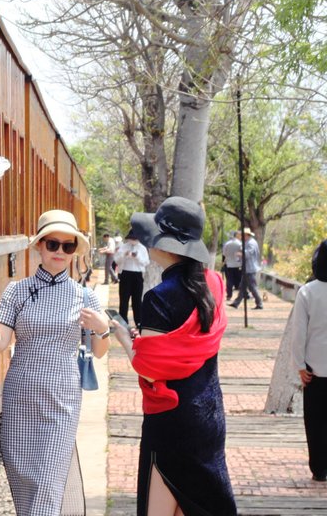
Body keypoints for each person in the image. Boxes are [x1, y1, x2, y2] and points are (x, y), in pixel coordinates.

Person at [0, 209, 110, 516]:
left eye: (68, 245)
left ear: (75, 250)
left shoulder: (84, 297)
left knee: (49, 483)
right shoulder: (17, 292)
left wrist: (102, 326)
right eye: (53, 244)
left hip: (62, 398)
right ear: (39, 246)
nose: (60, 252)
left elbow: (100, 351)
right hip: (20, 394)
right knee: (24, 480)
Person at [110, 196, 237, 516]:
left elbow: (150, 369)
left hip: (171, 420)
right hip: (209, 415)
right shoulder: (214, 285)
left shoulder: (159, 298)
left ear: (165, 244)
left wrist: (123, 336)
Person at [291, 239, 327, 482]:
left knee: (315, 422)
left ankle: (319, 468)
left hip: (315, 371)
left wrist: (300, 366)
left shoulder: (307, 292)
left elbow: (299, 333)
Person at [114, 230, 149, 332]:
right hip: (125, 274)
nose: (133, 241)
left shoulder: (142, 248)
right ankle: (122, 323)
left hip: (138, 274)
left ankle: (139, 323)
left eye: (135, 239)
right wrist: (124, 255)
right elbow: (116, 260)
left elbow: (146, 262)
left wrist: (136, 256)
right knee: (124, 299)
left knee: (137, 300)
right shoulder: (124, 247)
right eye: (131, 239)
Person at [230, 228, 263, 309]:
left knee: (252, 287)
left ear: (246, 235)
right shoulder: (248, 242)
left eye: (243, 235)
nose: (241, 236)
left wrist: (240, 253)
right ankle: (236, 303)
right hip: (247, 268)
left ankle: (259, 303)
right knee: (242, 287)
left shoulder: (251, 243)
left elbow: (248, 254)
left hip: (250, 268)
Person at [221, 230, 243, 301]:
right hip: (238, 265)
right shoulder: (240, 244)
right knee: (238, 280)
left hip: (229, 264)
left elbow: (224, 254)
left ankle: (229, 295)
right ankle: (241, 295)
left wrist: (223, 262)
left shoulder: (227, 244)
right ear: (237, 235)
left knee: (229, 280)